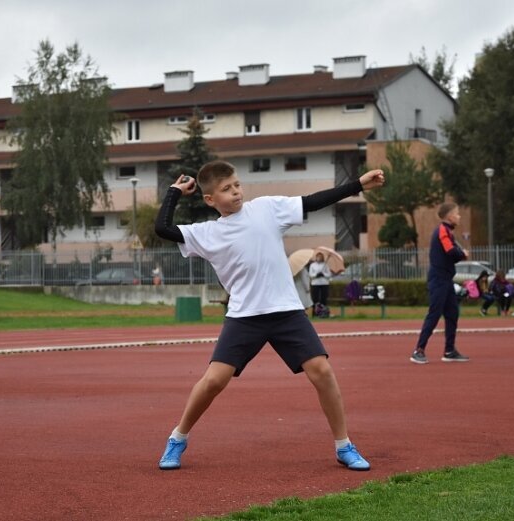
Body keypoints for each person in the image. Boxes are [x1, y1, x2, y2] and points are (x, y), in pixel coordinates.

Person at [153, 159, 385, 471]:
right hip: (244, 316)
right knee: (213, 382)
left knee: (322, 371)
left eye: (236, 185)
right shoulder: (206, 233)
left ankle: (344, 445)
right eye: (225, 189)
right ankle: (178, 438)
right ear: (210, 199)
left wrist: (358, 184)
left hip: (287, 312)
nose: (235, 192)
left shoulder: (266, 209)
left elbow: (313, 201)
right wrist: (174, 191)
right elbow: (162, 228)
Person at [410, 202, 470, 364]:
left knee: (452, 313)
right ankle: (418, 350)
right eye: (457, 214)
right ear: (449, 216)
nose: (459, 216)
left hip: (446, 279)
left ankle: (449, 350)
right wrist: (462, 254)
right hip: (438, 279)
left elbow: (451, 250)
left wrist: (460, 253)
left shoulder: (448, 231)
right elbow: (450, 251)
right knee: (434, 313)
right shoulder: (443, 230)